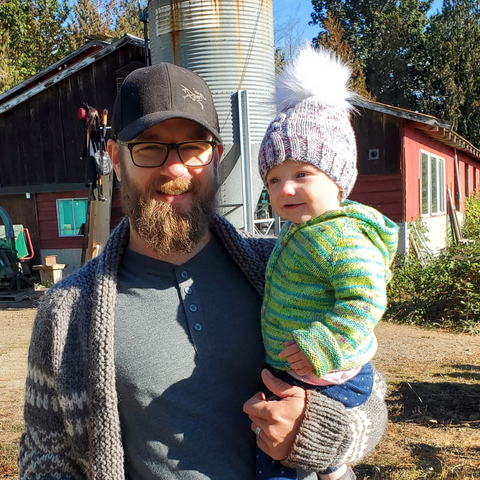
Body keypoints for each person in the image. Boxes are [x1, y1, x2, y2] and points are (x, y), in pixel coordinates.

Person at [19, 61, 388, 480]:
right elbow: (44, 458)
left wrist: (317, 433)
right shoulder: (68, 312)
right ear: (116, 160)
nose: (175, 169)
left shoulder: (281, 267)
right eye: (149, 147)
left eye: (193, 147)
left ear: (214, 156)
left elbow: (372, 403)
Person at [255, 46, 399, 480]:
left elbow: (366, 299)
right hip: (302, 372)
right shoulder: (302, 233)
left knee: (289, 460)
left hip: (326, 374)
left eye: (302, 174)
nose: (286, 189)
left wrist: (323, 344)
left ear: (338, 178)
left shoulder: (340, 237)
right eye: (274, 179)